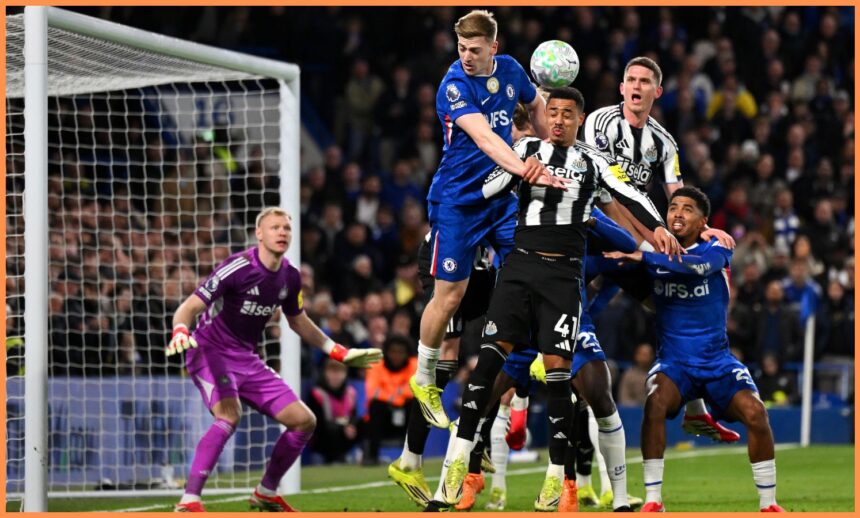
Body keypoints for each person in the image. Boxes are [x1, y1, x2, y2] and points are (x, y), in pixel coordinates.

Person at [432, 86, 678, 511]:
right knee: (486, 368)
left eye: (568, 114)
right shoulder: (525, 149)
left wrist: (657, 227)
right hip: (519, 271)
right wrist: (515, 171)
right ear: (545, 117)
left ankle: (560, 481)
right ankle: (454, 473)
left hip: (563, 279)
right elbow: (487, 188)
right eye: (554, 113)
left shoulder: (592, 163)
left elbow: (630, 195)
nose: (560, 120)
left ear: (580, 120)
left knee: (560, 378)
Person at [411, 9, 569, 431]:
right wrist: (525, 166)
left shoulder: (513, 71)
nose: (466, 56)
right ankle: (424, 377)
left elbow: (536, 107)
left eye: (475, 50)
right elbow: (483, 137)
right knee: (450, 295)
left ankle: (524, 370)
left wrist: (545, 147)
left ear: (493, 48)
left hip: (498, 199)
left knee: (529, 265)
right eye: (461, 48)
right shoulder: (454, 86)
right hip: (458, 202)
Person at [165, 207, 382, 512]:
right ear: (259, 234)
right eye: (275, 227)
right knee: (229, 415)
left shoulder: (290, 276)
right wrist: (179, 331)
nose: (282, 233)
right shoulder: (236, 267)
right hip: (209, 350)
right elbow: (188, 307)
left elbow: (299, 321)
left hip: (246, 358)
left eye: (286, 228)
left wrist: (339, 351)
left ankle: (266, 492)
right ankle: (189, 500)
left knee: (304, 421)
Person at [582, 56, 740, 443]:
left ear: (658, 91)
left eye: (644, 81)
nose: (636, 86)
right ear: (621, 88)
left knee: (672, 302)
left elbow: (677, 199)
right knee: (567, 304)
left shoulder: (664, 143)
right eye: (630, 79)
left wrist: (703, 228)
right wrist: (651, 235)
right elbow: (609, 189)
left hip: (631, 236)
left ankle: (695, 406)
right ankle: (515, 402)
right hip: (593, 225)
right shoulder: (600, 122)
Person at [604, 187, 785, 512]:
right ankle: (653, 500)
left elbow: (698, 267)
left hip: (718, 362)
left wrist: (645, 257)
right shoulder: (654, 251)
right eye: (673, 207)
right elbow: (622, 233)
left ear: (703, 221)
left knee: (757, 414)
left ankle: (769, 504)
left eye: (687, 209)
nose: (677, 214)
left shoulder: (718, 246)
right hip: (674, 365)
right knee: (655, 403)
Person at [363, 334, 417, 465]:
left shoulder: (415, 364)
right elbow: (372, 392)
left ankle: (412, 457)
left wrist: (392, 397)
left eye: (400, 352)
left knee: (415, 405)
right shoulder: (376, 366)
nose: (396, 356)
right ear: (386, 352)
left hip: (405, 414)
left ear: (407, 353)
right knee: (375, 406)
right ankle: (372, 457)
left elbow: (415, 388)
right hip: (383, 416)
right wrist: (397, 398)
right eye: (393, 351)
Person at [306, 359, 360, 464]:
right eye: (332, 371)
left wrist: (351, 426)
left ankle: (363, 455)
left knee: (362, 426)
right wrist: (342, 427)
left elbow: (354, 416)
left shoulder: (350, 392)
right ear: (325, 373)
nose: (336, 376)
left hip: (345, 435)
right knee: (332, 430)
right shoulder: (317, 394)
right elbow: (318, 424)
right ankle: (334, 459)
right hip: (323, 438)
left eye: (340, 372)